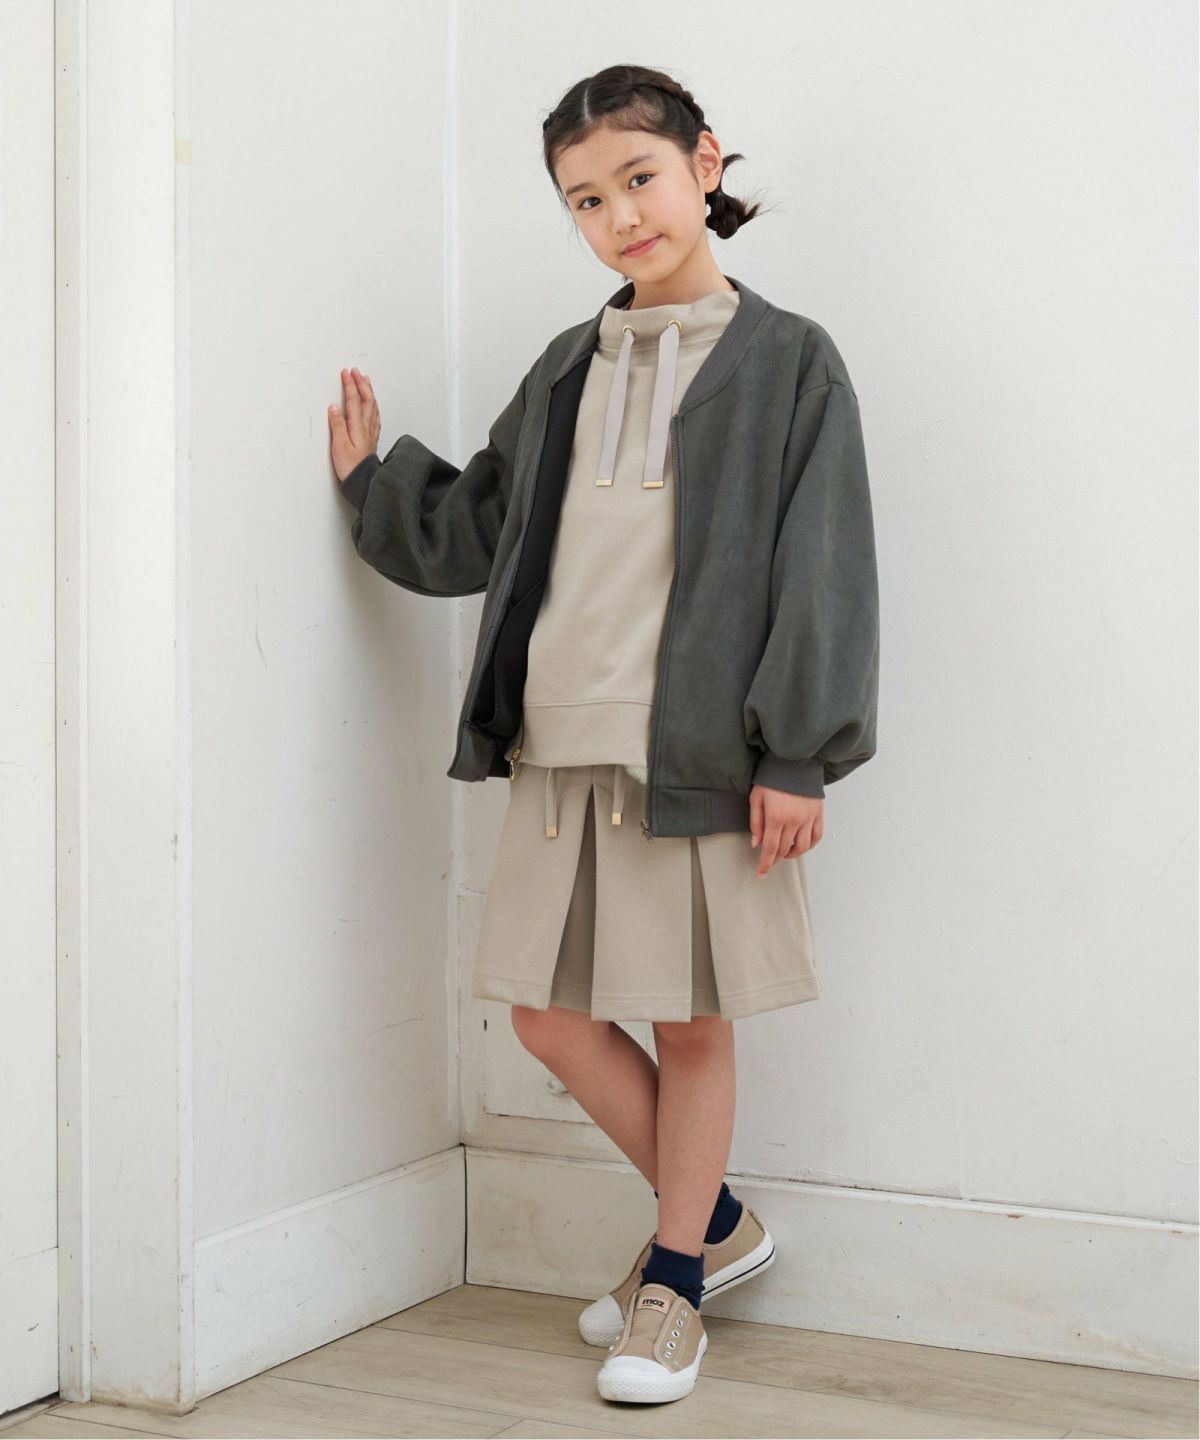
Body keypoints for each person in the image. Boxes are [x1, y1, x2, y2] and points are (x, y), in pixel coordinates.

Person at [329, 63, 879, 1407]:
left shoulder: (790, 361)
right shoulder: (569, 365)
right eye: (585, 199)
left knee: (690, 1018)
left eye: (638, 178)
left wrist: (797, 754)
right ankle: (717, 1226)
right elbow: (482, 523)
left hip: (701, 753)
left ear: (705, 164)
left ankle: (674, 1287)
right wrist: (372, 483)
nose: (619, 215)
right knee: (546, 1015)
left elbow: (824, 563)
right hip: (561, 743)